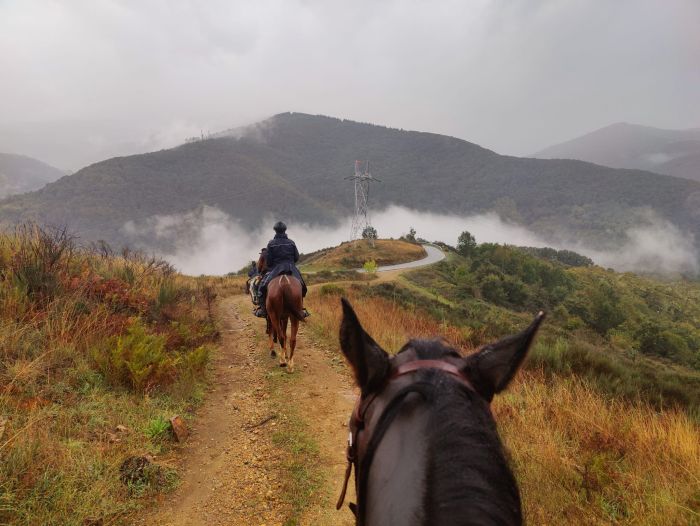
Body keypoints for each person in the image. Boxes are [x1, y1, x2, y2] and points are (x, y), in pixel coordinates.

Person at [254, 221, 309, 318]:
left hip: (275, 269)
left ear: (275, 231)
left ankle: (263, 310)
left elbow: (269, 261)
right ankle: (300, 309)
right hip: (291, 268)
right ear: (285, 230)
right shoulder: (291, 242)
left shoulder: (271, 243)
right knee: (303, 287)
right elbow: (296, 257)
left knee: (261, 288)